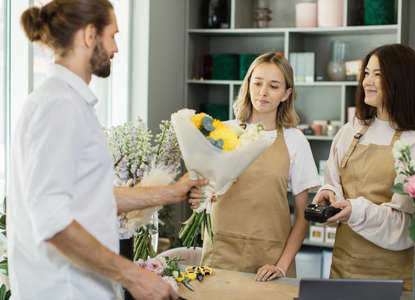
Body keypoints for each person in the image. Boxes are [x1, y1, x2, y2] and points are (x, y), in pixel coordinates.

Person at [8, 1, 207, 299]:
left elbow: (90, 195)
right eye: (112, 36)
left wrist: (171, 192)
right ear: (90, 36)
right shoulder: (59, 106)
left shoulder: (68, 103)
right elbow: (52, 221)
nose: (116, 48)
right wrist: (134, 277)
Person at [312, 44, 415, 291]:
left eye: (378, 74)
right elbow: (334, 180)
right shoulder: (350, 131)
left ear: (402, 81)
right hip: (342, 270)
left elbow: (408, 226)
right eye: (366, 73)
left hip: (392, 281)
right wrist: (330, 192)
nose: (367, 82)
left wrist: (356, 211)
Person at [190, 52, 320, 281]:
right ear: (248, 84)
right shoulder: (223, 132)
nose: (263, 92)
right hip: (221, 255)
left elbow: (303, 217)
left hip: (270, 261)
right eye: (257, 83)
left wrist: (281, 266)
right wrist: (198, 198)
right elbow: (201, 193)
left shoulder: (295, 141)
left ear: (286, 93)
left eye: (274, 86)